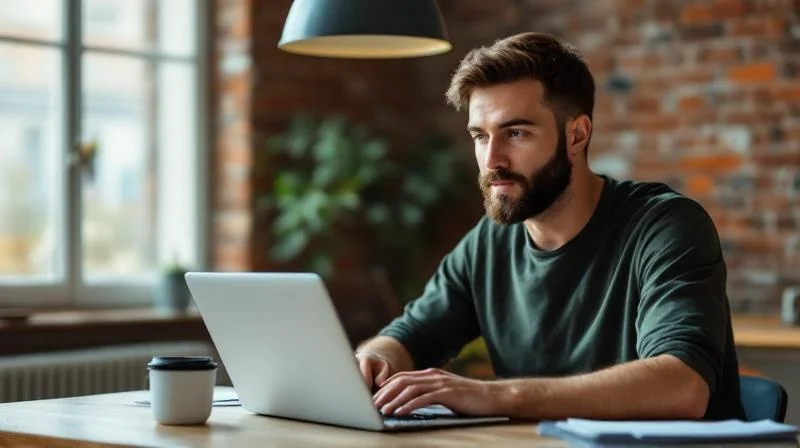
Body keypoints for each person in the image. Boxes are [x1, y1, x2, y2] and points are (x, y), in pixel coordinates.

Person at [355, 32, 745, 421]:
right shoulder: (490, 242)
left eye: (516, 133)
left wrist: (495, 395)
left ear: (576, 135)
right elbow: (410, 336)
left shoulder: (665, 227)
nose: (492, 159)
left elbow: (682, 386)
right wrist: (374, 359)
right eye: (480, 136)